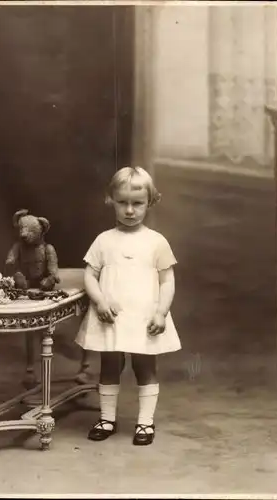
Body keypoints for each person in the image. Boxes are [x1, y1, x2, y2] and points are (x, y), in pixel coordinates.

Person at [75, 166, 181, 445]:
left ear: (150, 202)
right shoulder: (104, 240)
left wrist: (161, 312)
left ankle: (145, 423)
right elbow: (90, 274)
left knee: (145, 367)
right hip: (110, 316)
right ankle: (107, 419)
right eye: (123, 203)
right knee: (109, 365)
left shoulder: (156, 242)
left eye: (138, 203)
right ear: (111, 200)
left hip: (144, 317)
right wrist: (99, 300)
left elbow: (167, 280)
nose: (130, 210)